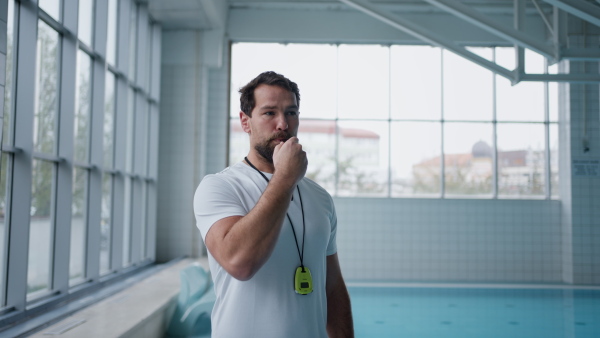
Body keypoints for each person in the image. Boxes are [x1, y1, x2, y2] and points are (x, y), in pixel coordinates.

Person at [193, 71, 354, 337]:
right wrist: (285, 178)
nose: (283, 124)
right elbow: (239, 263)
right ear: (246, 122)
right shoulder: (219, 187)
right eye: (269, 113)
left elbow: (333, 288)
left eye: (291, 112)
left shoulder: (320, 197)